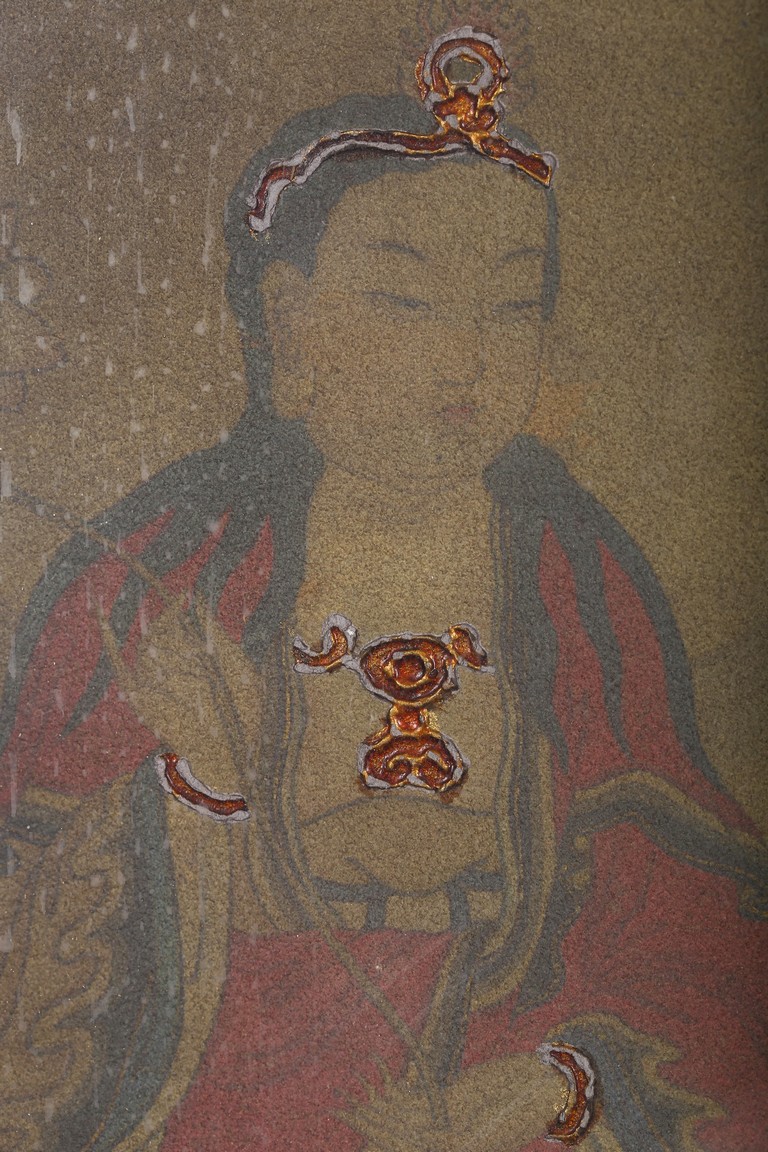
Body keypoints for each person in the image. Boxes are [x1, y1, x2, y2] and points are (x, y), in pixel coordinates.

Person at [1, 30, 766, 1152]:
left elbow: (688, 920)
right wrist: (200, 793)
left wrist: (556, 1085)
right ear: (288, 322)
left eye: (512, 307)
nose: (468, 357)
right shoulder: (163, 571)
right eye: (408, 301)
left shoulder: (574, 579)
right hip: (227, 1100)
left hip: (501, 1083)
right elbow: (32, 951)